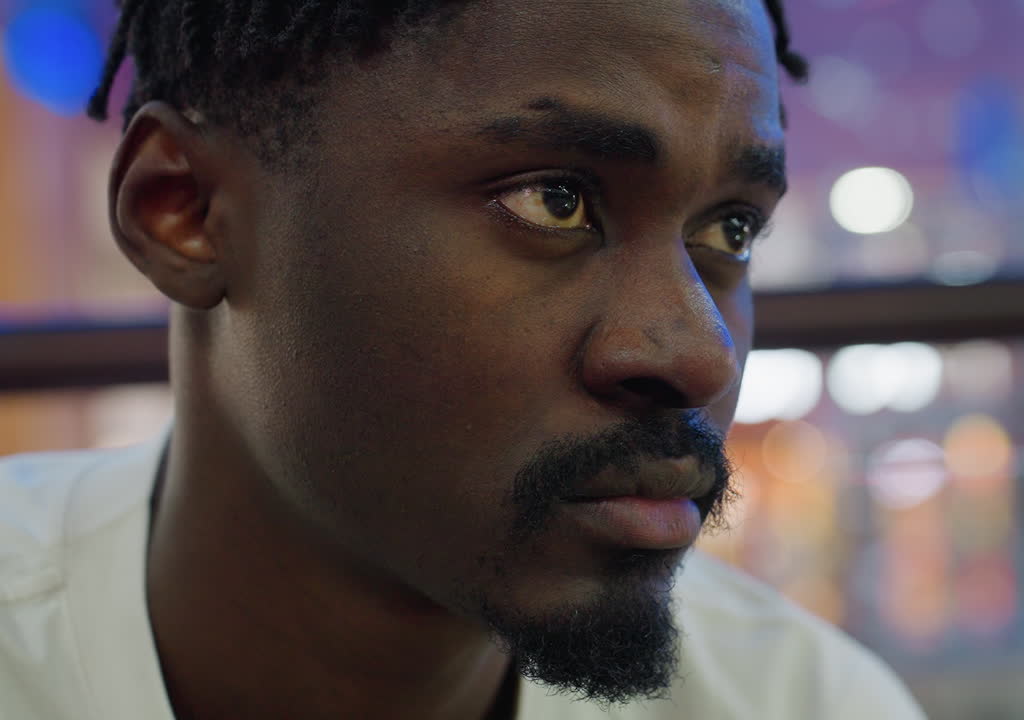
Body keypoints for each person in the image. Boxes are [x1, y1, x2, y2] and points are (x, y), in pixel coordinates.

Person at [0, 1, 925, 718]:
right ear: (187, 210)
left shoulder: (805, 701)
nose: (698, 356)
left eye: (730, 228)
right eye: (555, 200)